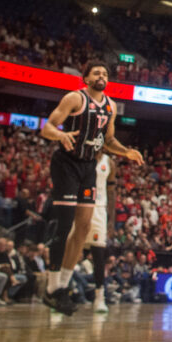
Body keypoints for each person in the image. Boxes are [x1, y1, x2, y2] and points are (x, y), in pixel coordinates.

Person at [39, 60, 144, 316]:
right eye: (96, 72)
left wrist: (126, 152)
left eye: (105, 73)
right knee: (64, 225)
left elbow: (108, 140)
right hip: (67, 163)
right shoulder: (74, 99)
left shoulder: (111, 105)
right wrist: (60, 135)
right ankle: (51, 288)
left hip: (89, 167)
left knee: (83, 227)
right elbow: (47, 127)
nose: (101, 76)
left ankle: (61, 286)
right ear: (86, 78)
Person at [71, 151, 116, 313]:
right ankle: (60, 290)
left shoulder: (109, 162)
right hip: (80, 206)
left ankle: (99, 297)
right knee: (71, 250)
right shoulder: (82, 156)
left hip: (99, 209)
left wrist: (111, 220)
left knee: (98, 254)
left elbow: (111, 192)